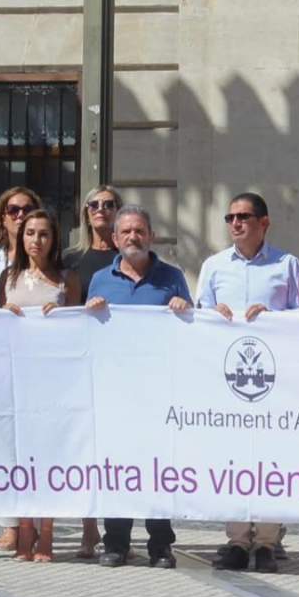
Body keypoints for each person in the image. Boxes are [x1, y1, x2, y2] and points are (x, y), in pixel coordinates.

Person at [198, 192, 299, 574]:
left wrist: (275, 316)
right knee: (233, 459)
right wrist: (213, 315)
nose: (235, 223)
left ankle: (265, 542)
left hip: (273, 382)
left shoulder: (287, 264)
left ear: (264, 223)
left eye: (243, 217)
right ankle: (236, 540)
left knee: (269, 459)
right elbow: (199, 316)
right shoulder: (214, 266)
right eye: (230, 217)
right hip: (229, 382)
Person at [84, 204, 192, 568]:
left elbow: (194, 327)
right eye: (126, 231)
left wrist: (183, 307)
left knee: (158, 467)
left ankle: (160, 544)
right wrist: (91, 309)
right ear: (115, 239)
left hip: (159, 390)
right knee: (117, 466)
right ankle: (115, 542)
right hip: (114, 390)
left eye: (140, 230)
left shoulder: (173, 277)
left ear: (152, 236)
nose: (134, 237)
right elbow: (87, 331)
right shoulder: (100, 280)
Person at [0, 209, 82, 561]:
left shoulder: (67, 279)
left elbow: (79, 330)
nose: (36, 240)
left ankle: (46, 531)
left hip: (53, 380)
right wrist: (5, 313)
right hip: (17, 378)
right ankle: (24, 528)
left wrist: (60, 317)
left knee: (49, 455)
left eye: (44, 234)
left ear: (54, 239)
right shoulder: (8, 277)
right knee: (20, 454)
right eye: (30, 233)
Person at [0, 185, 42, 553]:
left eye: (27, 209)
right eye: (13, 210)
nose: (20, 216)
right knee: (3, 442)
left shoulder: (49, 262)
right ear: (2, 218)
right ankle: (9, 524)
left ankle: (35, 525)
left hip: (37, 364)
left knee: (36, 442)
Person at [62, 183, 121, 557]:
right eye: (94, 204)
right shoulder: (71, 259)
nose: (101, 209)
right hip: (82, 362)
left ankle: (118, 530)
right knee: (85, 446)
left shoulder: (129, 256)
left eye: (109, 204)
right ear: (85, 212)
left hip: (120, 365)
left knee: (115, 448)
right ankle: (89, 528)